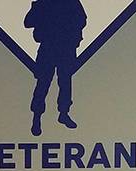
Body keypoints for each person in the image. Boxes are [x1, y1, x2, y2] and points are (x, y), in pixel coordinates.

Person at [24, 0, 87, 135]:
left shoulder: (71, 2)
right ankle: (37, 116)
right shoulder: (43, 3)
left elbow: (82, 20)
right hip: (48, 47)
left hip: (65, 48)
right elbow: (28, 22)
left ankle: (63, 113)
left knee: (64, 82)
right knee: (43, 82)